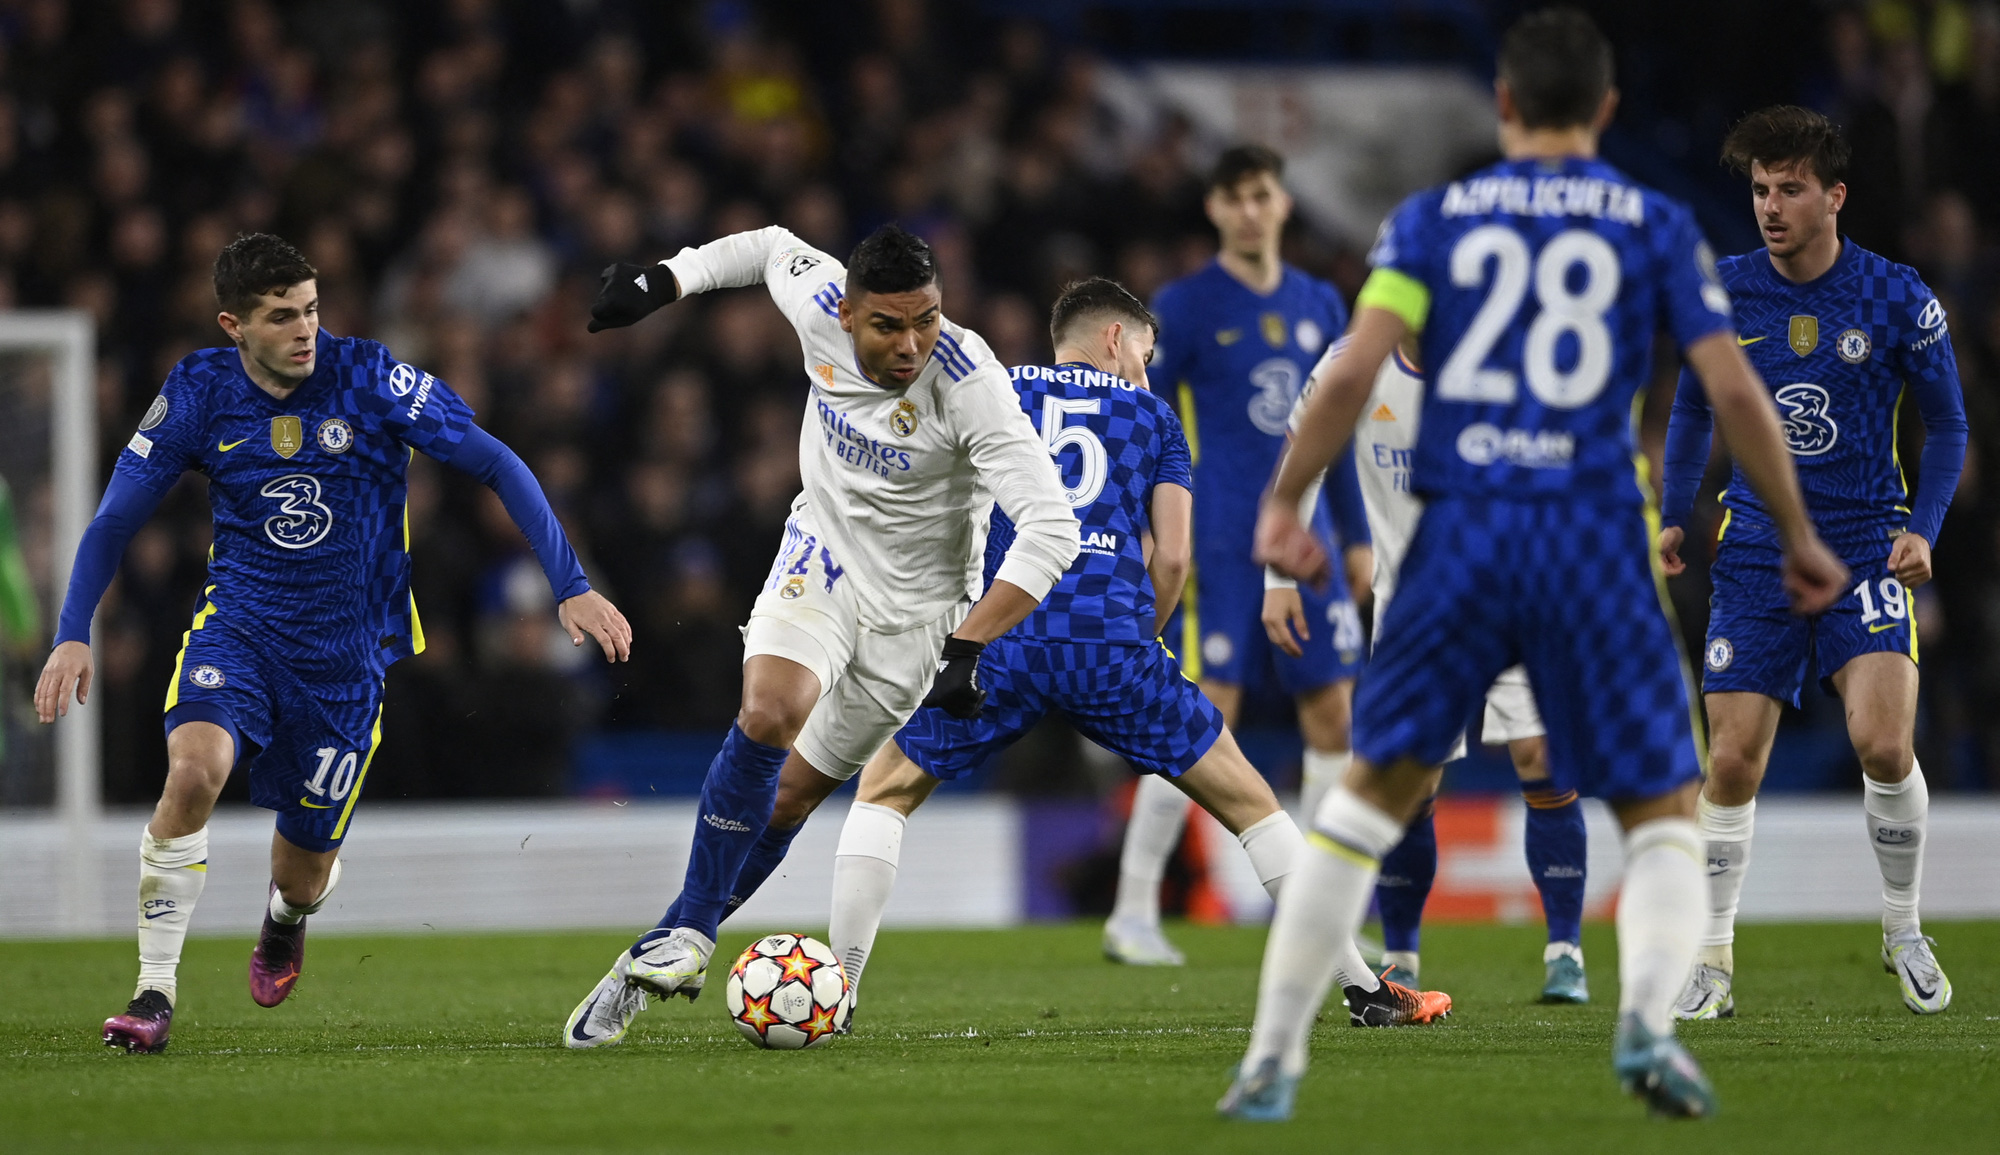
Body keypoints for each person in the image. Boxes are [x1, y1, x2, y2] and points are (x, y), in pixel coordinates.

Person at [1219, 9, 1847, 1122]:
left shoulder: (1428, 223)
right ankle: (1647, 1030)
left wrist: (1280, 514)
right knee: (1656, 809)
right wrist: (1796, 534)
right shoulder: (1651, 225)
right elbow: (1734, 390)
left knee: (1364, 801)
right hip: (1591, 536)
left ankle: (1273, 1055)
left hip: (1458, 535)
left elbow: (1349, 368)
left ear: (1502, 104)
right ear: (1605, 111)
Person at [37, 233, 630, 1055]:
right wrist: (72, 634)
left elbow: (496, 462)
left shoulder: (369, 377)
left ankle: (284, 921)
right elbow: (113, 521)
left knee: (302, 873)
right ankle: (153, 990)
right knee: (195, 768)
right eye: (282, 316)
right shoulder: (199, 390)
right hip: (238, 630)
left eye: (312, 309)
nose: (306, 328)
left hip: (347, 661)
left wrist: (570, 582)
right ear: (233, 326)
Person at [820, 277, 1448, 1028]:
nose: (1148, 373)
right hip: (1112, 642)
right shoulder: (1152, 416)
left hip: (1005, 635)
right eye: (1145, 354)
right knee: (1253, 806)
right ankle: (1364, 990)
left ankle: (842, 992)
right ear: (1115, 340)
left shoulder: (996, 389)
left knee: (883, 791)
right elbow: (1174, 558)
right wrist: (1137, 639)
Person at [562, 223, 1079, 1049]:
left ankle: (646, 954)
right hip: (825, 556)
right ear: (846, 310)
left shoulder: (969, 382)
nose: (911, 345)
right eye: (888, 326)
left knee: (793, 797)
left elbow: (1054, 530)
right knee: (770, 711)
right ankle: (693, 930)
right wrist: (665, 281)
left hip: (919, 618)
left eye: (929, 320)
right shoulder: (818, 301)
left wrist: (969, 646)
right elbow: (768, 246)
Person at [1660, 106, 1967, 1021]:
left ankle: (1904, 928)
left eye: (1789, 187)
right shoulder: (1725, 290)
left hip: (1869, 543)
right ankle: (1712, 956)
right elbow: (1690, 412)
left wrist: (1925, 527)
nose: (1770, 205)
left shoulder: (1895, 295)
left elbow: (1948, 423)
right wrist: (1675, 515)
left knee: (1884, 743)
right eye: (1759, 188)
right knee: (1731, 761)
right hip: (1754, 547)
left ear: (1834, 195)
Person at [1108, 144, 1369, 966]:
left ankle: (1319, 910)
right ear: (1215, 210)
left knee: (1332, 715)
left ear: (1283, 204)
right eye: (1235, 198)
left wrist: (1357, 535)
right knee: (1195, 715)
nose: (1251, 210)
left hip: (1309, 537)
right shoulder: (1183, 307)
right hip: (1220, 536)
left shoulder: (1321, 302)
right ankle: (1134, 908)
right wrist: (1147, 519)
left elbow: (1340, 426)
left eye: (1263, 195)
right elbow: (1140, 410)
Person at [1275, 333, 1591, 1002]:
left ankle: (1566, 948)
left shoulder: (1507, 352)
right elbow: (1301, 456)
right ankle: (1403, 953)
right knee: (1409, 781)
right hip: (1414, 607)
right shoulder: (1351, 363)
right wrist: (1280, 579)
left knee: (1540, 754)